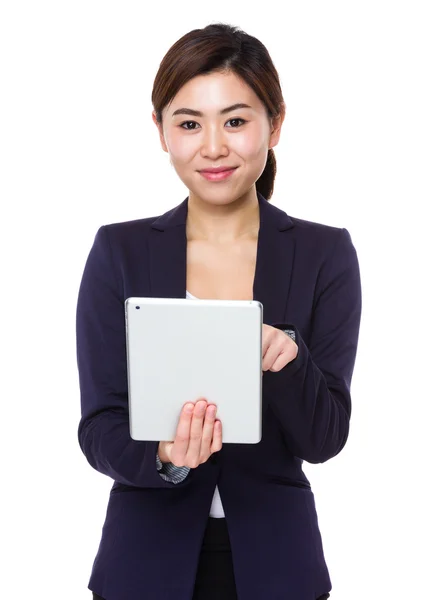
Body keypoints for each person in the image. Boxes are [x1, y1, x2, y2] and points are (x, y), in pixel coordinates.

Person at [76, 22, 362, 600]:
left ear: (274, 124)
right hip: (142, 565)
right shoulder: (120, 251)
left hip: (279, 568)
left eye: (235, 120)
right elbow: (98, 426)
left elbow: (326, 439)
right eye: (189, 123)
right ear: (160, 131)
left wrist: (289, 360)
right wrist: (163, 455)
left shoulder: (324, 253)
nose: (212, 146)